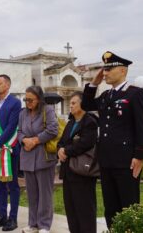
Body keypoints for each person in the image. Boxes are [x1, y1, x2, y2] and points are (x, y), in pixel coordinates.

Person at [82, 51, 143, 228]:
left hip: (126, 160)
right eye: (104, 70)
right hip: (106, 159)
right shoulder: (107, 96)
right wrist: (94, 83)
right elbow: (86, 104)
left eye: (109, 70)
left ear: (122, 71)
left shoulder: (135, 94)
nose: (104, 73)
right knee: (110, 207)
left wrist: (140, 156)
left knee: (128, 205)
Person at [17, 86, 58, 233]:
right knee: (32, 193)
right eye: (25, 99)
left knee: (45, 194)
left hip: (44, 157)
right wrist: (24, 140)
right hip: (27, 157)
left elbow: (53, 129)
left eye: (30, 100)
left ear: (39, 99)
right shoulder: (23, 113)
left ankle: (44, 225)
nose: (27, 102)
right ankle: (33, 224)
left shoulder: (48, 110)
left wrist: (35, 140)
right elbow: (19, 131)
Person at [58, 91, 99, 233]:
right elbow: (61, 142)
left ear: (83, 104)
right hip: (68, 171)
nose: (71, 106)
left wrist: (65, 151)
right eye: (70, 103)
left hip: (83, 172)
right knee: (71, 208)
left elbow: (85, 143)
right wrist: (60, 150)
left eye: (74, 103)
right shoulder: (70, 123)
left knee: (85, 209)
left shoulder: (90, 122)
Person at [0, 74, 22, 231]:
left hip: (9, 151)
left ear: (7, 85)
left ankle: (12, 218)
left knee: (12, 185)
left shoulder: (15, 103)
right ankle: (2, 216)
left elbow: (12, 126)